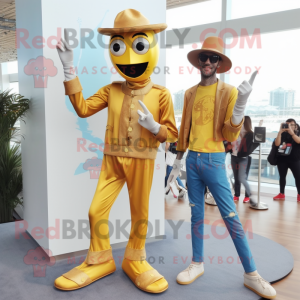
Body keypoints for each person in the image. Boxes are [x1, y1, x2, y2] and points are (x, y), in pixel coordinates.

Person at [54, 9, 178, 293]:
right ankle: (100, 259)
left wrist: (155, 126)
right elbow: (83, 109)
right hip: (112, 159)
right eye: (120, 47)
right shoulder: (111, 90)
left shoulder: (162, 94)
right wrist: (69, 69)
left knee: (140, 215)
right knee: (96, 211)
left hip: (143, 161)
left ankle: (136, 260)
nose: (131, 60)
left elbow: (172, 135)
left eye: (138, 46)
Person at [167, 36, 276, 299]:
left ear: (219, 63)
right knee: (195, 216)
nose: (207, 61)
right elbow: (184, 129)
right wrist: (178, 159)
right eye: (204, 57)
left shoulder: (229, 92)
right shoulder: (190, 93)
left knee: (231, 218)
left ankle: (251, 274)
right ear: (199, 61)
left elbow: (229, 133)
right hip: (192, 160)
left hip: (215, 160)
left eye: (213, 58)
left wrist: (240, 106)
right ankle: (197, 263)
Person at [231, 116, 259, 203]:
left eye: (241, 122)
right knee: (236, 177)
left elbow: (256, 143)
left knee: (242, 178)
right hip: (234, 157)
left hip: (244, 158)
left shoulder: (250, 134)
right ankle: (236, 195)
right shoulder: (235, 132)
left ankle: (248, 195)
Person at [273, 118, 300, 202]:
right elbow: (277, 144)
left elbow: (298, 141)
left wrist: (292, 133)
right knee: (282, 176)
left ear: (295, 126)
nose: (289, 126)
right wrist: (280, 132)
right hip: (282, 159)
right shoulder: (283, 134)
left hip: (295, 159)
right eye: (287, 125)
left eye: (291, 125)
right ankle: (281, 194)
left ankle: (299, 194)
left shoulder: (298, 133)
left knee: (298, 177)